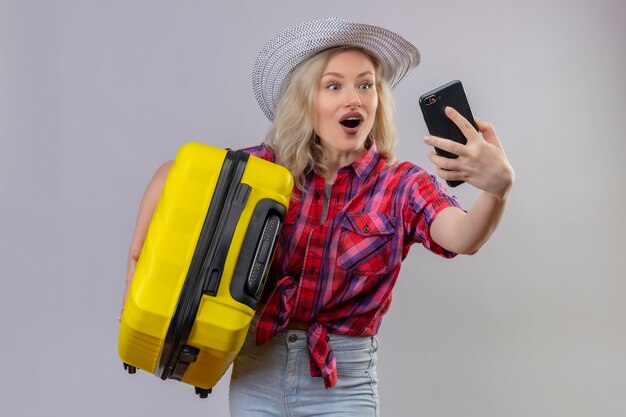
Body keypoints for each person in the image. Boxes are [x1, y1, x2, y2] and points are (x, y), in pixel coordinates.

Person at [121, 16, 514, 416]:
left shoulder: (401, 186)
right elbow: (175, 173)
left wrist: (496, 190)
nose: (354, 99)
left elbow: (463, 236)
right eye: (334, 85)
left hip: (344, 385)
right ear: (307, 100)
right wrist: (135, 259)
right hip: (257, 371)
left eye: (365, 84)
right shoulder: (267, 172)